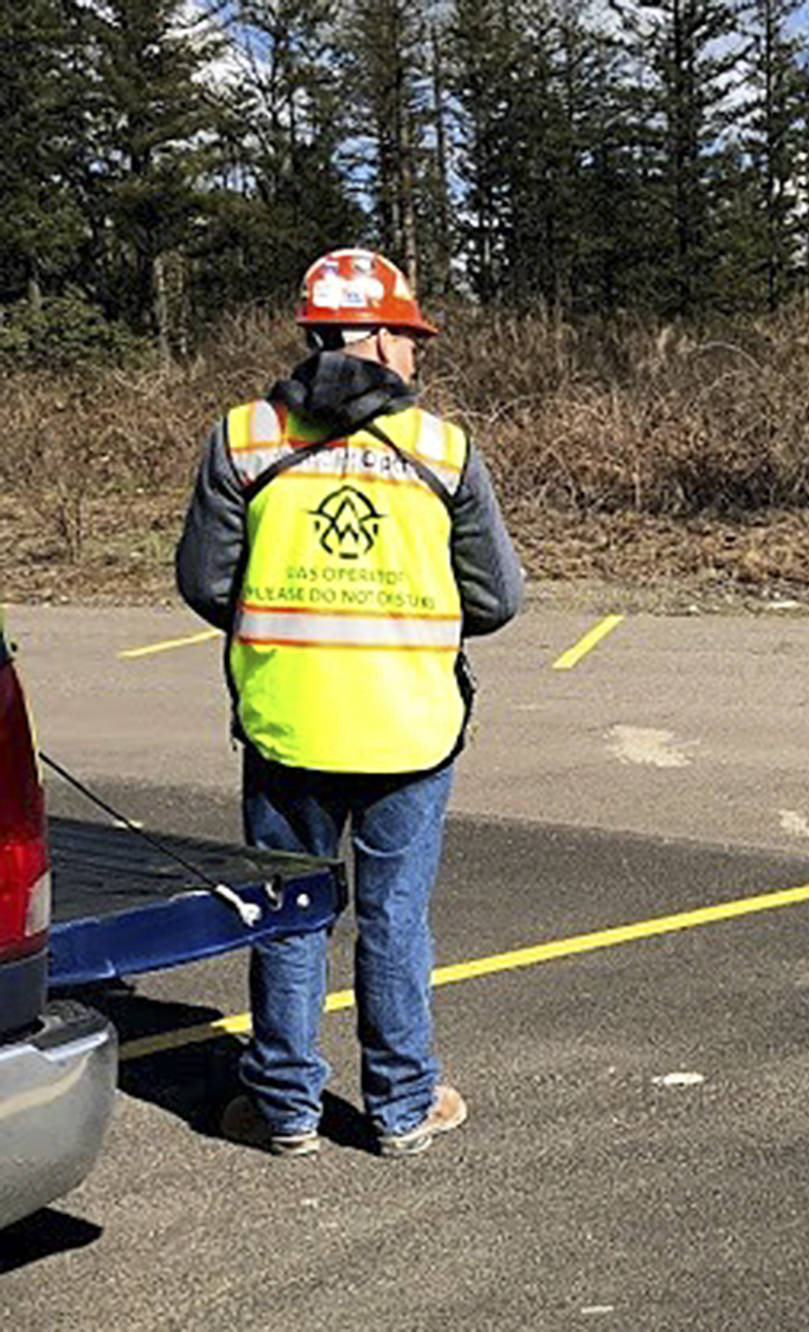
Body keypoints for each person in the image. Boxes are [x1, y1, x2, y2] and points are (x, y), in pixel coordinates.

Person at [176, 248, 524, 1158]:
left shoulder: (246, 439)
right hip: (410, 728)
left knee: (290, 916)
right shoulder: (442, 449)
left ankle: (286, 1110)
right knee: (395, 915)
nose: (418, 355)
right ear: (370, 336)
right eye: (410, 337)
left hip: (287, 725)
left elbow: (207, 582)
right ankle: (403, 1106)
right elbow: (497, 599)